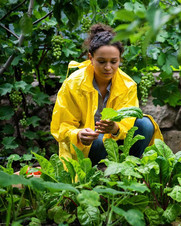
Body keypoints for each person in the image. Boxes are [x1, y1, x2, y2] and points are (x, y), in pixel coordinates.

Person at [50, 24, 163, 165]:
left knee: (145, 124)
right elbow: (61, 125)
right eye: (102, 61)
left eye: (114, 62)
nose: (108, 67)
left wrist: (115, 128)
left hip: (116, 141)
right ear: (91, 58)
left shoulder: (128, 85)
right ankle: (95, 174)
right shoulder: (73, 84)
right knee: (98, 140)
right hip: (88, 146)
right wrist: (78, 134)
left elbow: (128, 122)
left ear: (120, 59)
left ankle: (131, 168)